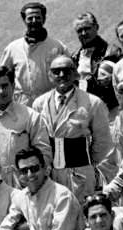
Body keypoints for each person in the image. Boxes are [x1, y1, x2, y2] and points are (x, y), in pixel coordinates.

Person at [32, 55, 113, 203]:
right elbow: (37, 138)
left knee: (81, 214)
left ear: (75, 73)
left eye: (66, 71)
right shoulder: (39, 103)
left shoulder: (92, 103)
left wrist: (88, 165)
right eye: (56, 71)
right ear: (50, 75)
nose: (62, 75)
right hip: (50, 175)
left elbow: (103, 142)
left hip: (79, 172)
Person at [0, 1, 68, 106]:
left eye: (37, 17)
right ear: (24, 20)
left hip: (51, 104)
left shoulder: (58, 47)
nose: (34, 21)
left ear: (44, 19)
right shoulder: (12, 49)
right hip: (22, 105)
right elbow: (2, 78)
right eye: (30, 18)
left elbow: (69, 77)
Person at [69, 12, 121, 113]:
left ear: (96, 27)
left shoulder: (113, 53)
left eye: (87, 28)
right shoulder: (74, 57)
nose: (83, 33)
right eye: (80, 30)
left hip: (109, 111)